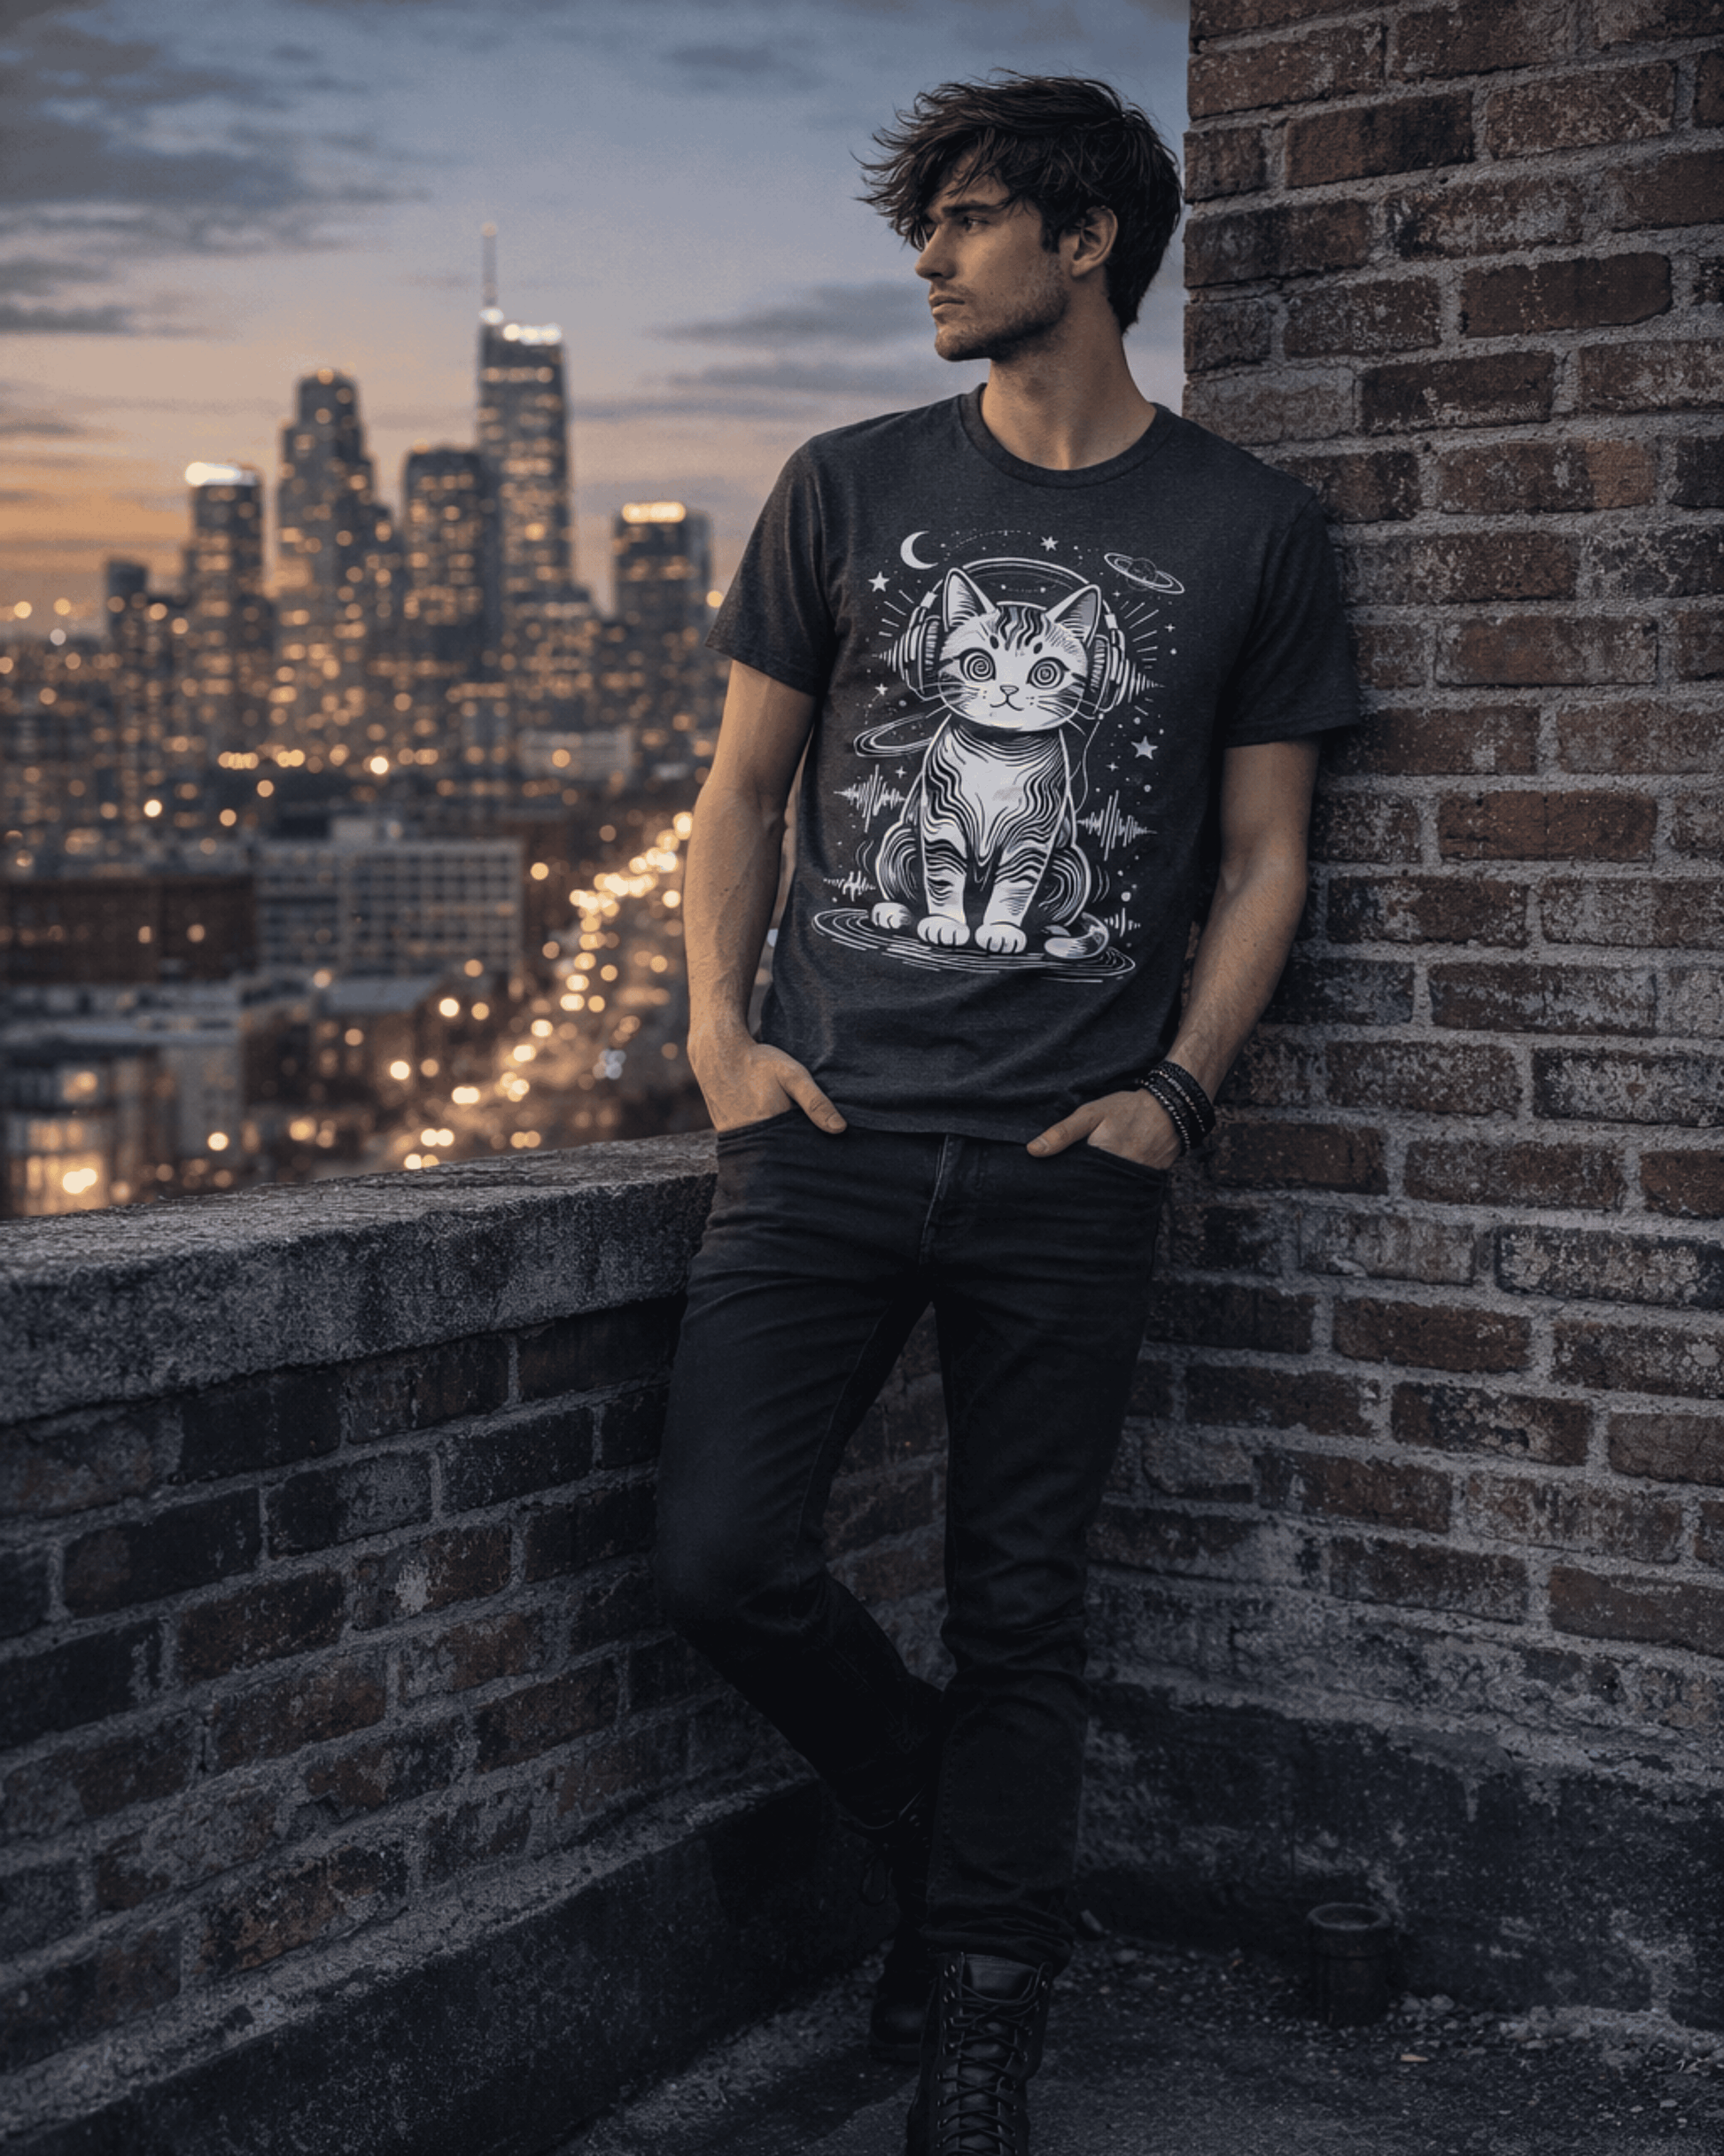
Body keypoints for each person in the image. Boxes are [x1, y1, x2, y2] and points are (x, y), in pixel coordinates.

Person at [653, 73, 1358, 2155]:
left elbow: (1267, 858)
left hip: (1075, 1162)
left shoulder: (1248, 531)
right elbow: (738, 797)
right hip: (827, 1136)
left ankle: (984, 2026)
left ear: (1084, 243)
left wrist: (1173, 1091)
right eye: (930, 225)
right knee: (721, 1558)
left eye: (964, 222)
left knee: (1022, 1597)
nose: (931, 261)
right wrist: (717, 1042)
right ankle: (936, 1822)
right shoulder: (845, 481)